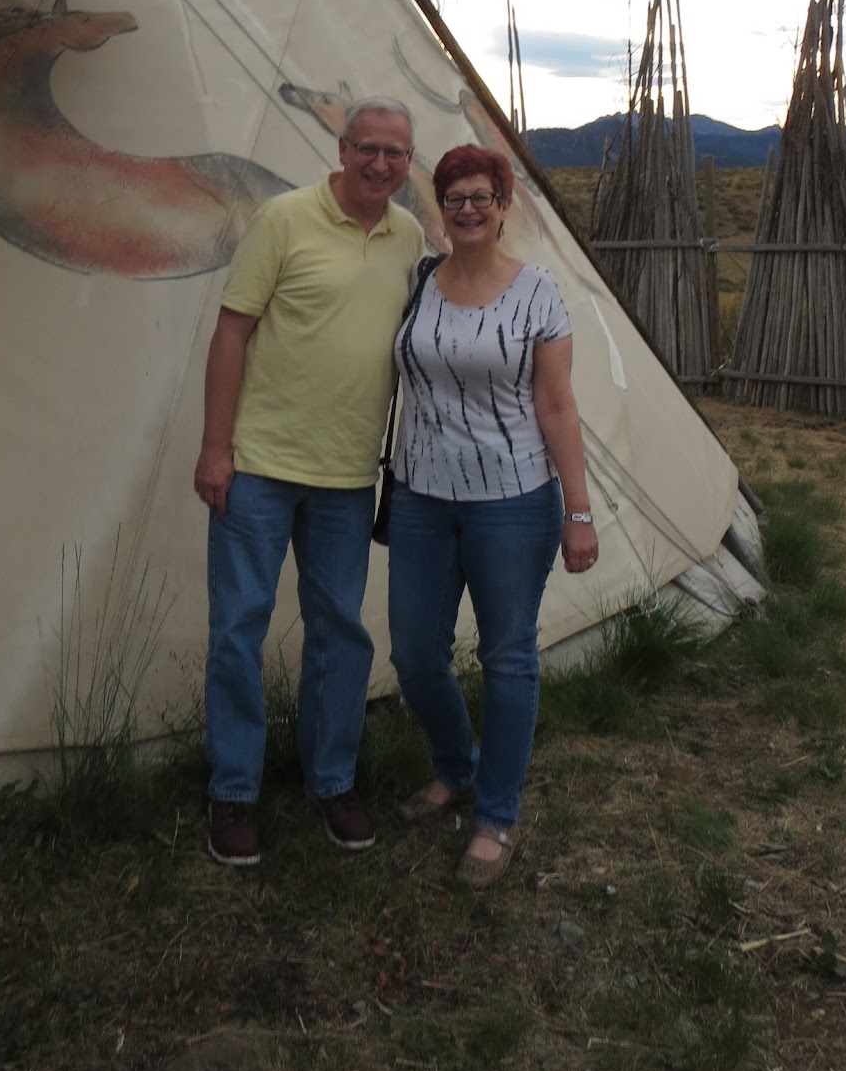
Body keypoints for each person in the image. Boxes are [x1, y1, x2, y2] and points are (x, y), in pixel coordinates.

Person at [194, 96, 424, 867]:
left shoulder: (409, 237)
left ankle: (332, 781)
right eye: (368, 149)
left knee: (339, 631)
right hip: (259, 462)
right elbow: (233, 330)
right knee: (238, 628)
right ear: (342, 145)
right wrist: (215, 447)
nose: (381, 164)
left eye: (395, 153)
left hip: (348, 474)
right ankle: (234, 790)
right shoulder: (284, 219)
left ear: (406, 160)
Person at [388, 143, 598, 888]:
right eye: (454, 197)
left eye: (481, 196)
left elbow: (557, 404)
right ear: (439, 208)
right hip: (419, 494)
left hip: (512, 500)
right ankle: (457, 766)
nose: (467, 208)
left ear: (504, 205)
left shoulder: (536, 291)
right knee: (414, 652)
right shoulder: (419, 281)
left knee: (507, 655)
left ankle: (495, 814)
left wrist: (578, 511)